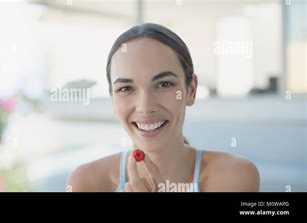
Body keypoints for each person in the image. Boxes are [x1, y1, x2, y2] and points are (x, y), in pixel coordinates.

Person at [67, 23, 260, 192]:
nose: (145, 107)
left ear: (191, 90)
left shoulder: (234, 176)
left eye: (164, 84)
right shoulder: (87, 182)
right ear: (112, 99)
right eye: (126, 88)